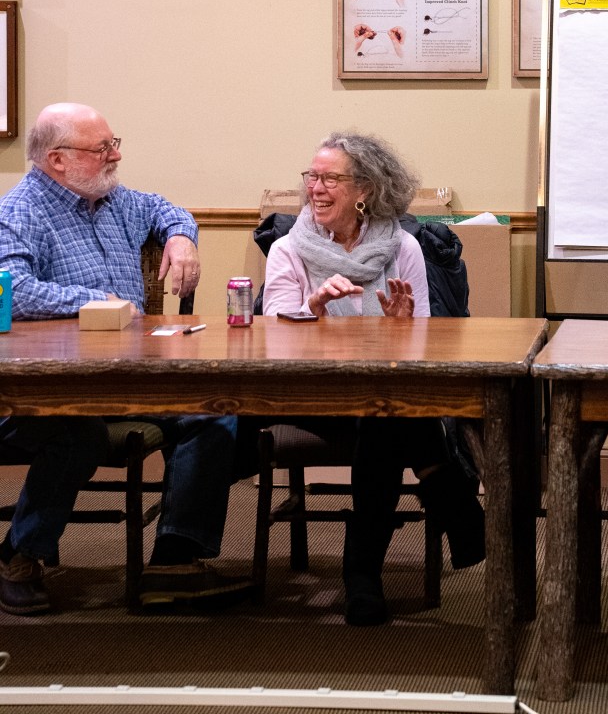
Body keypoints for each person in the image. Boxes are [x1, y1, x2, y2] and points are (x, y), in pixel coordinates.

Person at [0, 103, 251, 613]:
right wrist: (99, 302)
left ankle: (173, 561)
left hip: (129, 376)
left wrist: (181, 238)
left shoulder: (112, 199)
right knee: (78, 433)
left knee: (214, 410)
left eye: (114, 144)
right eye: (102, 148)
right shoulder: (19, 213)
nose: (115, 156)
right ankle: (18, 555)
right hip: (50, 389)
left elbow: (165, 209)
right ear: (57, 159)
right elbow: (14, 290)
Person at [262, 130, 484, 626]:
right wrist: (314, 307)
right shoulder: (288, 250)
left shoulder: (403, 247)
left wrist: (402, 328)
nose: (315, 188)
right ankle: (454, 502)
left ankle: (362, 577)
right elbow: (273, 338)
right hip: (312, 396)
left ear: (364, 189)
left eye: (330, 179)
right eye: (312, 177)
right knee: (393, 421)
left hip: (382, 398)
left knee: (382, 420)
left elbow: (424, 343)